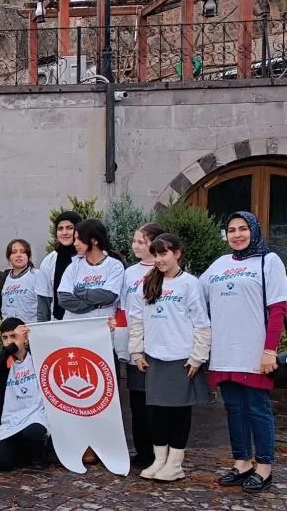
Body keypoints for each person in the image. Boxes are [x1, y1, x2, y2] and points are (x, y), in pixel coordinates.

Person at [202, 211, 287, 493]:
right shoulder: (219, 264)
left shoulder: (268, 261)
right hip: (224, 350)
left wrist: (269, 351)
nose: (237, 235)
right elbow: (194, 294)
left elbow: (278, 310)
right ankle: (242, 462)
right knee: (234, 408)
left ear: (254, 230)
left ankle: (264, 467)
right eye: (231, 230)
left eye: (243, 228)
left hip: (253, 351)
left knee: (257, 408)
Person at [129, 233, 211, 482]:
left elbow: (201, 322)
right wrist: (136, 351)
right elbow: (137, 319)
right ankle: (159, 459)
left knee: (178, 412)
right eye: (156, 254)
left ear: (177, 254)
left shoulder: (189, 283)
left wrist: (197, 356)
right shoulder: (148, 282)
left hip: (181, 359)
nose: (159, 259)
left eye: (164, 254)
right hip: (154, 357)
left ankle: (175, 463)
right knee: (156, 412)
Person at [115, 223, 164, 467]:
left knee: (158, 400)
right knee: (138, 399)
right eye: (134, 241)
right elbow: (122, 309)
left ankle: (161, 450)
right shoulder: (129, 273)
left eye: (141, 242)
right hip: (136, 342)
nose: (136, 246)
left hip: (161, 342)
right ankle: (142, 450)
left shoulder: (164, 269)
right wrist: (123, 344)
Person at [0, 318, 49, 472]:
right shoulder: (4, 361)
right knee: (2, 463)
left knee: (34, 432)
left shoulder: (37, 355)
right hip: (12, 420)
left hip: (36, 414)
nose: (9, 341)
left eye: (13, 336)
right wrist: (13, 346)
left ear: (25, 337)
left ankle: (39, 455)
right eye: (5, 338)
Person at [57, 219, 125, 321]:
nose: (75, 243)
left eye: (79, 239)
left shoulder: (114, 266)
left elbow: (108, 296)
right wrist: (95, 305)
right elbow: (64, 299)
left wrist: (78, 292)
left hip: (102, 325)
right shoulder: (74, 266)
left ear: (94, 241)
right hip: (73, 325)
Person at [37, 210, 81, 321]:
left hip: (85, 319)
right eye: (60, 228)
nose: (64, 232)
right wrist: (43, 328)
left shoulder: (87, 257)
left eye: (70, 228)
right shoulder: (49, 260)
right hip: (58, 323)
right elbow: (44, 300)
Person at [1, 239, 40, 324]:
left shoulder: (37, 275)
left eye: (23, 252)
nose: (18, 255)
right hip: (9, 329)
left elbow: (45, 306)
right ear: (9, 257)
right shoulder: (4, 278)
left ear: (28, 256)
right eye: (14, 252)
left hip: (32, 328)